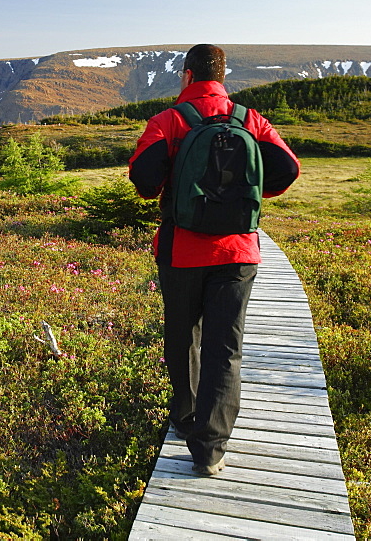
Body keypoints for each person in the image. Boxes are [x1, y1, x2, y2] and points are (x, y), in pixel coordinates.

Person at [128, 44, 300, 476]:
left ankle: (185, 419)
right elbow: (287, 169)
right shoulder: (251, 121)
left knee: (183, 337)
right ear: (223, 76)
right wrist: (247, 201)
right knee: (226, 347)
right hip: (238, 252)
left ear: (187, 76)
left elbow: (143, 182)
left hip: (181, 251)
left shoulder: (169, 121)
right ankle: (210, 449)